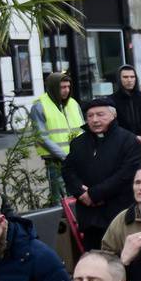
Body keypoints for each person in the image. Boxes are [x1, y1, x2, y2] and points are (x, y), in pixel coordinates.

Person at [64, 100, 141, 248]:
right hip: (89, 216)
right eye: (90, 116)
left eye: (100, 115)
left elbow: (126, 174)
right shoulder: (78, 143)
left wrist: (94, 194)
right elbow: (68, 170)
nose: (95, 120)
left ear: (113, 115)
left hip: (117, 213)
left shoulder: (128, 140)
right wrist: (80, 192)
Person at [28, 71, 84, 205]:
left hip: (76, 159)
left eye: (68, 87)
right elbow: (42, 136)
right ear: (53, 87)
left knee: (78, 193)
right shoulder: (39, 106)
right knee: (60, 198)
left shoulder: (73, 103)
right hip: (55, 160)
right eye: (62, 87)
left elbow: (82, 129)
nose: (66, 90)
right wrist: (64, 156)